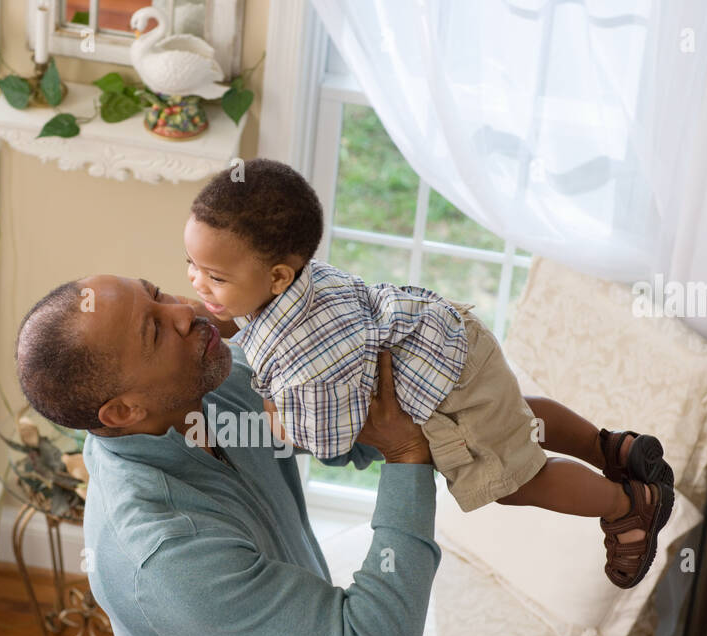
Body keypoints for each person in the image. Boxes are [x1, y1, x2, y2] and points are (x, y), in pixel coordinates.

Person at [15, 274, 441, 636]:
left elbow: (339, 427)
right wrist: (407, 458)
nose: (186, 312)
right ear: (122, 410)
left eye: (158, 293)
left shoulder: (203, 391)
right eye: (154, 329)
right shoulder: (165, 553)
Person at [185, 158, 675, 588]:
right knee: (517, 415)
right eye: (193, 265)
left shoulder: (304, 361)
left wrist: (271, 415)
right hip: (450, 340)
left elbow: (327, 440)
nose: (196, 282)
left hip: (441, 395)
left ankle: (626, 504)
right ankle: (612, 447)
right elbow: (260, 314)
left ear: (276, 277)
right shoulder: (294, 279)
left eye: (215, 277)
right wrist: (229, 307)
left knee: (516, 480)